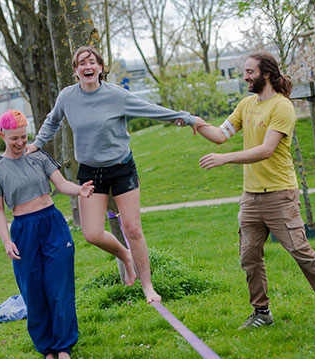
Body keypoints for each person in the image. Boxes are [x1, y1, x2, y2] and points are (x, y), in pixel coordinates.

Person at [25, 46, 197, 303]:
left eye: (92, 62)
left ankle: (148, 286)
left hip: (121, 168)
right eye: (82, 63)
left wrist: (183, 117)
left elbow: (148, 108)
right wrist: (36, 144)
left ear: (101, 68)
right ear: (75, 71)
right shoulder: (67, 97)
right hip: (91, 172)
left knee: (133, 228)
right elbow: (52, 121)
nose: (87, 66)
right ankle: (125, 255)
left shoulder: (117, 95)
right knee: (91, 233)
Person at [193, 52, 315, 329]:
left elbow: (266, 150)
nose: (245, 76)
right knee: (249, 256)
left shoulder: (282, 107)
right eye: (244, 71)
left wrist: (226, 159)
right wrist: (196, 121)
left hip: (280, 194)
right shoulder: (246, 105)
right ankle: (262, 313)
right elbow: (221, 135)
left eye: (249, 71)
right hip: (250, 197)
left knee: (300, 250)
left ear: (266, 73)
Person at [0, 110, 94, 359]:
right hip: (23, 230)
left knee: (59, 286)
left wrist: (79, 189)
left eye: (24, 137)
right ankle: (47, 350)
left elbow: (61, 184)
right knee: (33, 291)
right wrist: (6, 241)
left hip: (52, 224)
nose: (21, 143)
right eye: (14, 138)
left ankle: (64, 348)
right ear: (2, 135)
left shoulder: (39, 156)